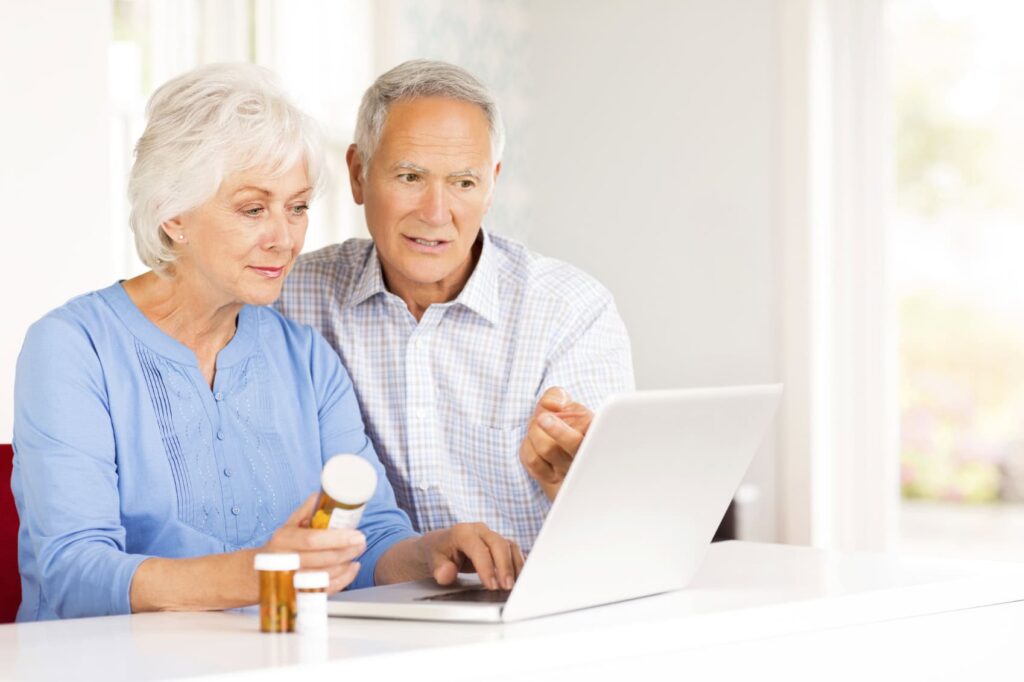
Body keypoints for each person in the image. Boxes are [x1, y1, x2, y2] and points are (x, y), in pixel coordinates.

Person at [11, 63, 522, 622]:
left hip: (274, 660)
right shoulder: (71, 347)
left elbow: (368, 538)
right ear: (172, 214)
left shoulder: (306, 358)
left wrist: (431, 552)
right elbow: (73, 573)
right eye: (254, 209)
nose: (285, 238)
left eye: (297, 207)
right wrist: (266, 570)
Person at [276, 60, 635, 552]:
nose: (435, 213)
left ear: (491, 186)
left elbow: (618, 521)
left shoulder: (570, 311)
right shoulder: (289, 297)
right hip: (361, 609)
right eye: (409, 177)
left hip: (530, 612)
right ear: (358, 174)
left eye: (464, 183)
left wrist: (581, 477)